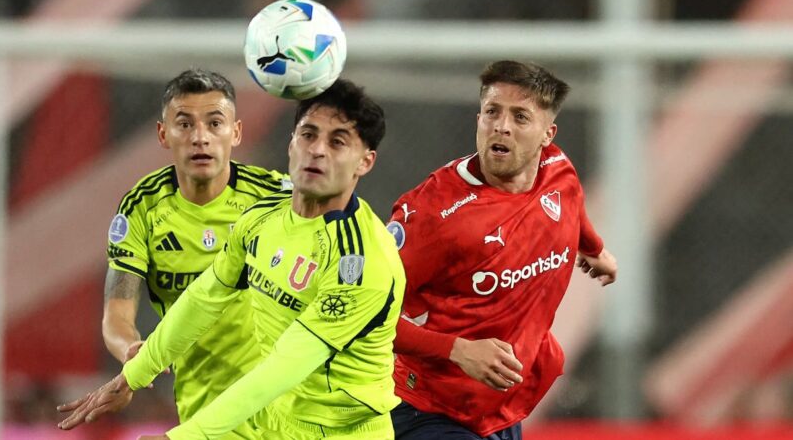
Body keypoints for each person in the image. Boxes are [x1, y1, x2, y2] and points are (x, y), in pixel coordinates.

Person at [58, 78, 406, 440]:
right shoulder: (261, 218)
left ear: (364, 162)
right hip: (271, 421)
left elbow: (284, 368)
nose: (317, 150)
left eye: (337, 142)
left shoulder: (361, 260)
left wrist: (179, 438)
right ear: (291, 142)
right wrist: (133, 374)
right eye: (307, 134)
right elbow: (204, 298)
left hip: (340, 434)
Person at [387, 60, 618, 440]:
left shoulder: (558, 169)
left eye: (520, 117)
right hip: (427, 409)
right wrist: (457, 349)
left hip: (501, 411)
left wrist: (593, 249)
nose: (502, 126)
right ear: (479, 119)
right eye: (493, 112)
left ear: (548, 134)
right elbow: (362, 315)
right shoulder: (432, 214)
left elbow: (571, 206)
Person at [101, 69, 288, 437]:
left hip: (288, 402)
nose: (200, 137)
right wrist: (130, 350)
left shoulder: (276, 199)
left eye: (215, 123)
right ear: (163, 134)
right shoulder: (142, 208)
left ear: (235, 132)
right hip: (204, 410)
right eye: (184, 124)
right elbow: (116, 313)